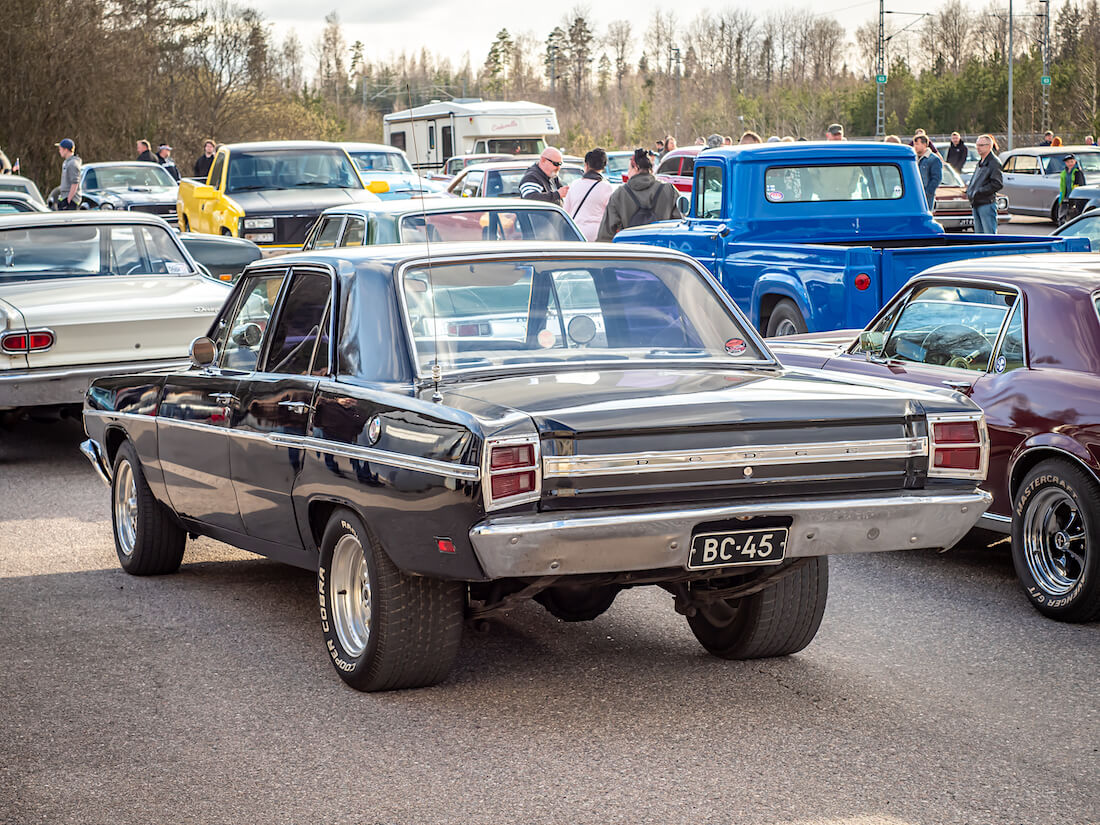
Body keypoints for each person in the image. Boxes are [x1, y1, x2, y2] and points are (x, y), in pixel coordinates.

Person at [597, 148, 681, 241]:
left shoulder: (620, 194)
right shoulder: (669, 190)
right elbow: (680, 224)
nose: (627, 173)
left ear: (636, 168)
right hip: (661, 251)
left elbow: (605, 234)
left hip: (632, 252)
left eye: (629, 169)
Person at [563, 147, 613, 241]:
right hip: (598, 235)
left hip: (577, 234)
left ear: (586, 165)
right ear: (603, 166)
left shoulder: (574, 184)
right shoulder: (607, 187)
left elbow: (566, 212)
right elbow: (611, 215)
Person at [967, 134, 1003, 234]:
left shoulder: (994, 162)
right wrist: (970, 191)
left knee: (989, 234)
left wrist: (979, 191)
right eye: (977, 145)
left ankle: (991, 250)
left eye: (981, 145)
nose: (978, 148)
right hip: (977, 202)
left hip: (986, 203)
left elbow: (997, 183)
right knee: (979, 236)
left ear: (989, 146)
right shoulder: (980, 162)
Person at [914, 134, 943, 211]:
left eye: (917, 144)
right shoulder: (914, 159)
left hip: (927, 198)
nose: (915, 147)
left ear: (924, 144)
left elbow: (936, 178)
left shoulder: (933, 159)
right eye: (914, 144)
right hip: (915, 196)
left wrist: (927, 193)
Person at [1058, 153, 1086, 222]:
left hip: (1075, 197)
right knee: (1062, 215)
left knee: (1074, 215)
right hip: (1066, 197)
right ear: (1065, 163)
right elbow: (1062, 187)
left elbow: (1080, 185)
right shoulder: (1064, 173)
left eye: (1071, 161)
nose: (1070, 163)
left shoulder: (1078, 172)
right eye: (1068, 162)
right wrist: (1061, 198)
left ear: (1075, 161)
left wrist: (1075, 198)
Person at [55, 138, 81, 210]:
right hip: (64, 197)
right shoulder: (66, 162)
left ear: (66, 150)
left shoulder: (73, 163)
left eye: (60, 149)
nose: (59, 151)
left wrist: (69, 200)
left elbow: (75, 183)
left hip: (71, 200)